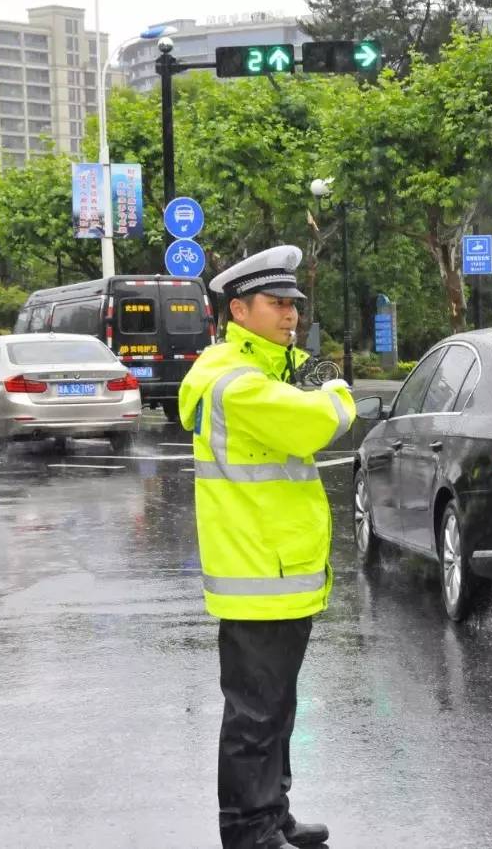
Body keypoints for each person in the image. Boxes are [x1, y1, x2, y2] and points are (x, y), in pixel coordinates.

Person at [178, 245, 355, 849]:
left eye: (294, 305)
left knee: (277, 709)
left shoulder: (267, 367)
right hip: (257, 571)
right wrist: (334, 389)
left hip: (283, 568)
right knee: (254, 715)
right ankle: (248, 830)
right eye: (277, 304)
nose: (290, 316)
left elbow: (308, 373)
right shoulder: (231, 379)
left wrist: (316, 375)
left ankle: (273, 812)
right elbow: (318, 420)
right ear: (239, 309)